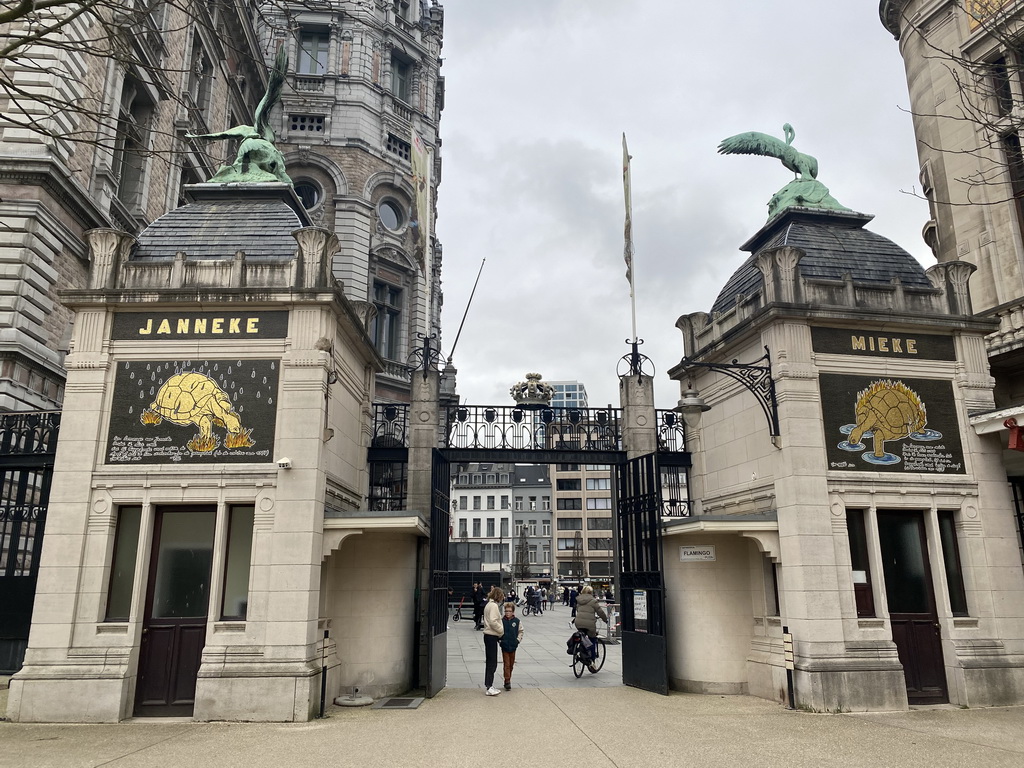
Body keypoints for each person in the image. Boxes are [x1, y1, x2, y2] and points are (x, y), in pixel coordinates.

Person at [573, 585, 608, 671]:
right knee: (592, 640)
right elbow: (600, 611)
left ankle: (579, 652)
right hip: (589, 624)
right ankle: (591, 662)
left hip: (578, 622)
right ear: (590, 592)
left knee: (582, 638)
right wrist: (605, 619)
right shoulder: (593, 601)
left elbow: (578, 610)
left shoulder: (579, 600)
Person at [482, 586, 506, 696]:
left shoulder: (489, 605)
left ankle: (489, 684)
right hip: (491, 635)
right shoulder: (493, 606)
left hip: (488, 635)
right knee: (492, 662)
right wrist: (501, 629)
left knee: (490, 661)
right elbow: (492, 621)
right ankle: (489, 685)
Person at [499, 601, 524, 691]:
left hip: (513, 645)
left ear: (513, 612)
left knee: (511, 664)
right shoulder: (502, 621)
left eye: (509, 611)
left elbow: (521, 631)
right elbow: (499, 631)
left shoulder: (516, 621)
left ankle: (508, 677)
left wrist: (517, 640)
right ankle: (507, 680)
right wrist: (500, 640)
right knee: (507, 664)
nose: (507, 613)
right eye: (506, 611)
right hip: (505, 645)